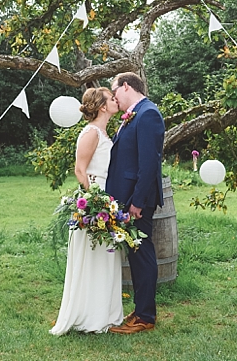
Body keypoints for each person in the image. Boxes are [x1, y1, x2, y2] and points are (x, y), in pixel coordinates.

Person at [50, 87, 125, 335]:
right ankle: (88, 316)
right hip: (94, 201)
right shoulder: (91, 132)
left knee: (106, 257)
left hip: (107, 198)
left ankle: (106, 313)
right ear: (103, 106)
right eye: (111, 99)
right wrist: (94, 201)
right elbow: (80, 170)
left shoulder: (105, 131)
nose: (116, 101)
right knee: (93, 257)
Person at [105, 72, 164, 334]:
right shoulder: (134, 115)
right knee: (137, 254)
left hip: (137, 201)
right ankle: (141, 310)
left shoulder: (148, 113)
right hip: (128, 198)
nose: (114, 97)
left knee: (142, 254)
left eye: (114, 91)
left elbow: (149, 163)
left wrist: (137, 202)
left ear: (126, 86)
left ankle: (145, 316)